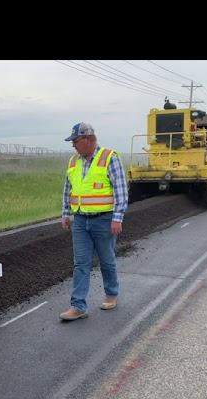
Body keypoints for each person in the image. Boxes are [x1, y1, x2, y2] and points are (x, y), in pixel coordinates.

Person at [59, 122, 129, 321]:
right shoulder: (74, 162)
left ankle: (111, 294)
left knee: (106, 260)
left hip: (104, 220)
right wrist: (66, 213)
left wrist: (117, 218)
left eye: (76, 141)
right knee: (80, 263)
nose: (73, 145)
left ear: (88, 139)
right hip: (80, 220)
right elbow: (68, 189)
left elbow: (121, 190)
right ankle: (78, 306)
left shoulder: (109, 158)